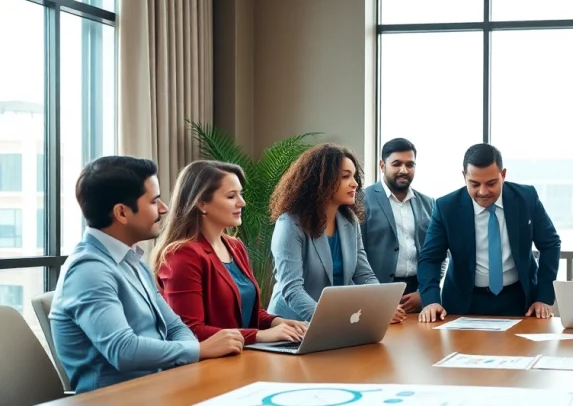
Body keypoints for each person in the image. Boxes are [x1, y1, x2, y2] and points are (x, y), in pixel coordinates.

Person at [49, 156, 243, 393]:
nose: (164, 209)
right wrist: (199, 350)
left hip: (158, 390)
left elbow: (175, 326)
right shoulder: (89, 270)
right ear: (121, 212)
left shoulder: (133, 261)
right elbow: (123, 350)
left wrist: (190, 353)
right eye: (154, 201)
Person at [151, 160, 308, 345]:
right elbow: (190, 331)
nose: (242, 202)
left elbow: (250, 312)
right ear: (202, 203)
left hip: (244, 355)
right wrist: (258, 335)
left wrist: (278, 322)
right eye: (231, 196)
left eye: (240, 194)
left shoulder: (235, 246)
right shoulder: (181, 255)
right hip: (207, 366)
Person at [418, 144, 561, 321]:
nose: (483, 192)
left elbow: (550, 244)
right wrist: (431, 301)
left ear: (503, 175)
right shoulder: (447, 207)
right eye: (475, 184)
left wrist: (544, 297)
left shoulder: (526, 198)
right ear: (464, 177)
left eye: (491, 183)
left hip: (519, 300)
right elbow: (430, 258)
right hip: (464, 303)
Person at [266, 144, 404, 324]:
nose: (354, 183)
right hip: (291, 325)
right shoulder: (290, 223)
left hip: (336, 323)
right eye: (345, 176)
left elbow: (364, 275)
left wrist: (382, 306)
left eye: (354, 176)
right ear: (321, 181)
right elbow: (292, 290)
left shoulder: (350, 222)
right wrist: (331, 321)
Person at [360, 138, 437, 314]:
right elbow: (357, 259)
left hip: (417, 297)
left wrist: (424, 294)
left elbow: (437, 254)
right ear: (382, 165)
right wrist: (376, 299)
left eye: (410, 165)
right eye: (397, 164)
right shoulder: (361, 200)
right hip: (376, 294)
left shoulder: (429, 203)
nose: (404, 170)